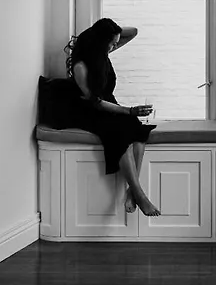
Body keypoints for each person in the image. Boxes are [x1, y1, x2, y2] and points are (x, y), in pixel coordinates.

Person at [43, 18, 160, 217]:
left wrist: (110, 31)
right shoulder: (81, 66)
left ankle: (132, 191)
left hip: (110, 104)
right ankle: (139, 194)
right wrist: (129, 110)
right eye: (112, 43)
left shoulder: (102, 52)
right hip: (88, 110)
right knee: (119, 133)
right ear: (100, 41)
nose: (115, 46)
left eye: (116, 43)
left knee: (137, 129)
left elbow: (133, 31)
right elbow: (95, 103)